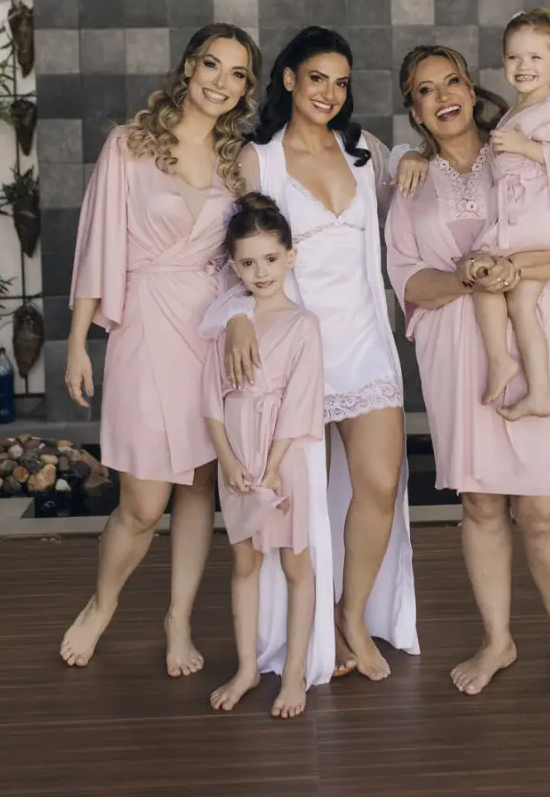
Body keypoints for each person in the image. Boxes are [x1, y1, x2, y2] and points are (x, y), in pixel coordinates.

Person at [385, 43, 550, 708]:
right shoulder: (411, 183)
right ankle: (497, 639)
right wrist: (469, 276)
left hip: (536, 330)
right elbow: (408, 280)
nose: (444, 95)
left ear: (471, 87)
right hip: (458, 349)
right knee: (480, 503)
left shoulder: (520, 148)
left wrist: (516, 270)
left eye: (452, 80)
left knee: (544, 508)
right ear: (415, 109)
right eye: (426, 89)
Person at [203, 26, 425, 683]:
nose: (330, 93)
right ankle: (308, 632)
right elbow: (227, 256)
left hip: (364, 343)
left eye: (341, 82)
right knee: (301, 501)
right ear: (290, 79)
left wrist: (413, 154)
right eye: (317, 78)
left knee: (379, 483)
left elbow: (410, 176)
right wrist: (236, 316)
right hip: (291, 356)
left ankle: (352, 615)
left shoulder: (363, 151)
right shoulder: (258, 160)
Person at [61, 23, 261, 676]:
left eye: (237, 73)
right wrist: (78, 342)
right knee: (144, 503)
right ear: (189, 67)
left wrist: (243, 317)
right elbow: (97, 242)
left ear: (246, 89)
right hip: (146, 325)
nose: (221, 82)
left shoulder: (239, 162)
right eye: (212, 65)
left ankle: (179, 619)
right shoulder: (130, 143)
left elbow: (248, 257)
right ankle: (103, 604)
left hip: (209, 329)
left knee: (199, 487)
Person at [204, 194, 324, 720]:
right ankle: (247, 667)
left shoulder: (303, 325)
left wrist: (273, 468)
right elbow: (209, 399)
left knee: (296, 562)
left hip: (283, 458)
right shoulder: (229, 324)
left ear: (290, 257)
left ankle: (293, 673)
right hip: (236, 453)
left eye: (271, 259)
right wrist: (228, 461)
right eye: (249, 263)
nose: (261, 272)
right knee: (245, 561)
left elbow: (301, 401)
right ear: (234, 268)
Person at [466, 8, 550, 421]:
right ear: (503, 60)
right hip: (532, 214)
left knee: (483, 271)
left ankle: (500, 359)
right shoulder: (517, 112)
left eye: (536, 57)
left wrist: (525, 148)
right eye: (514, 57)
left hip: (541, 217)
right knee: (520, 302)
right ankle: (539, 392)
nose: (524, 66)